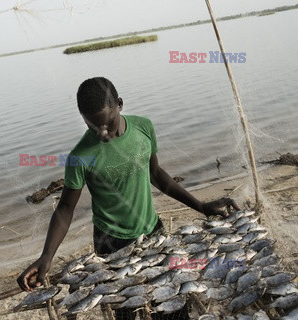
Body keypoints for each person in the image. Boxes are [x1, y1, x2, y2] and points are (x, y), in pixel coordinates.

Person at [17, 77, 239, 320]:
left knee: (173, 302)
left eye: (107, 123)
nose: (102, 133)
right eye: (92, 126)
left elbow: (156, 174)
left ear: (119, 104)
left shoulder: (144, 127)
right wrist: (47, 255)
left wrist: (201, 206)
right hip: (111, 242)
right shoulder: (79, 157)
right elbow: (65, 209)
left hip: (152, 230)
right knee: (127, 310)